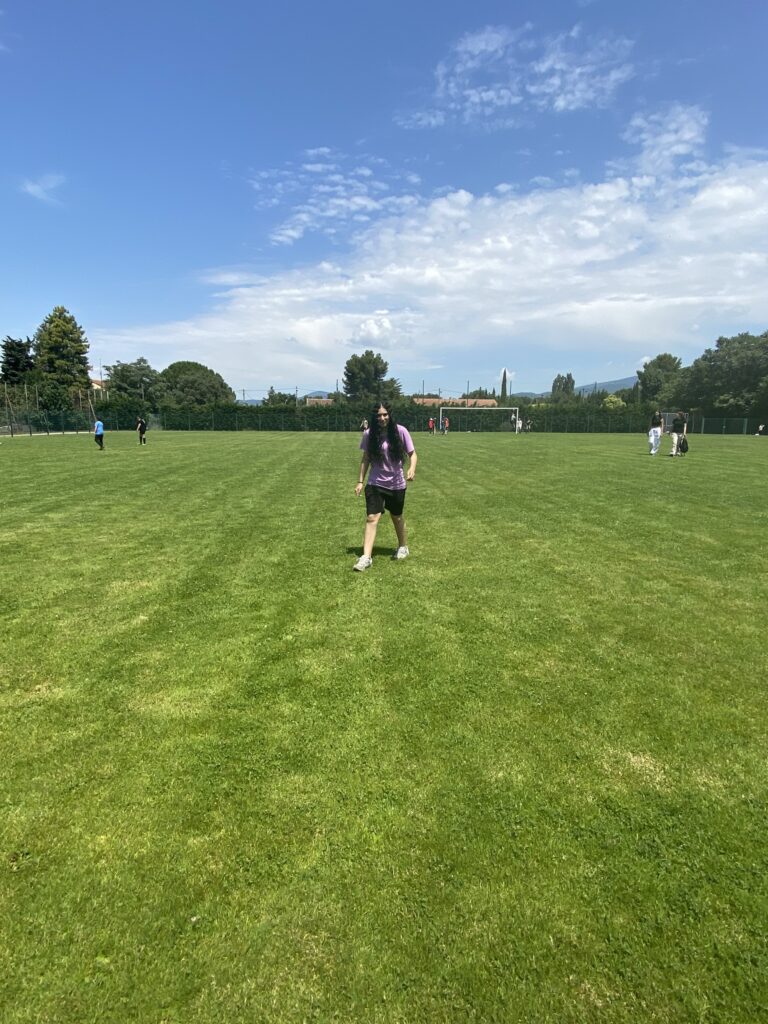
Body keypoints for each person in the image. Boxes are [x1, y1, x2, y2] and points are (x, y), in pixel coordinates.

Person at [353, 402, 417, 571]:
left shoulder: (401, 431)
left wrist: (412, 468)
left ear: (390, 415)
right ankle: (366, 557)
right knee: (372, 517)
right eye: (379, 415)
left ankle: (402, 546)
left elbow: (412, 454)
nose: (382, 418)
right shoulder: (369, 434)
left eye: (385, 414)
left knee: (397, 516)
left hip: (396, 484)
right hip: (375, 483)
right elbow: (366, 458)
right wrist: (360, 481)